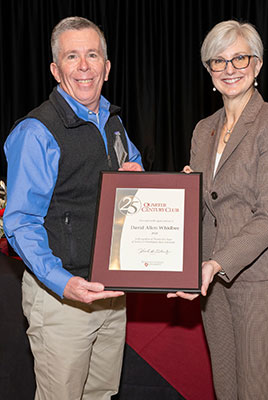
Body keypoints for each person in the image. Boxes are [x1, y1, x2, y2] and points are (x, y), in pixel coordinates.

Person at [4, 16, 143, 400]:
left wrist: (138, 175)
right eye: (72, 56)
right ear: (55, 69)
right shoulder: (36, 132)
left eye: (92, 55)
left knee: (100, 394)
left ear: (107, 67)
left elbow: (132, 164)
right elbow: (20, 223)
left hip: (111, 292)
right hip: (62, 298)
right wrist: (62, 283)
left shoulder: (113, 122)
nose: (84, 66)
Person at [168, 20, 268, 399]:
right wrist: (178, 193)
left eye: (239, 58)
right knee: (226, 389)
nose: (230, 69)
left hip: (262, 282)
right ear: (208, 70)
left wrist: (215, 263)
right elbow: (203, 206)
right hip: (214, 283)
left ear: (257, 65)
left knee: (259, 391)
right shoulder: (203, 129)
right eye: (218, 61)